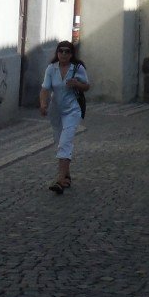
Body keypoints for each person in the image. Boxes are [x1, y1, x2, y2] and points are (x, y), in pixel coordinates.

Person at [39, 40, 90, 194]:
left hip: (72, 110)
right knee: (59, 141)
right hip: (56, 111)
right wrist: (43, 104)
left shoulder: (77, 68)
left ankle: (60, 180)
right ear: (57, 53)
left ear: (71, 54)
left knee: (65, 142)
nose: (64, 54)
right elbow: (45, 88)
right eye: (61, 51)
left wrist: (76, 83)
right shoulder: (51, 69)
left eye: (67, 51)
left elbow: (86, 86)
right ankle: (66, 175)